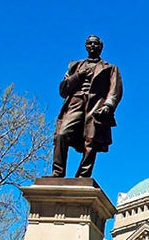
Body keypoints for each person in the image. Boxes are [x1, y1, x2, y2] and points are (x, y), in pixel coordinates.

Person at [51, 35, 123, 178]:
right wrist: (78, 76)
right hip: (75, 103)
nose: (92, 46)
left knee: (91, 141)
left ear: (100, 47)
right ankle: (58, 172)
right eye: (90, 43)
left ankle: (83, 176)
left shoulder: (110, 68)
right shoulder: (75, 66)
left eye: (96, 44)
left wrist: (108, 105)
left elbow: (115, 89)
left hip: (96, 106)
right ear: (85, 46)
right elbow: (63, 90)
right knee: (62, 134)